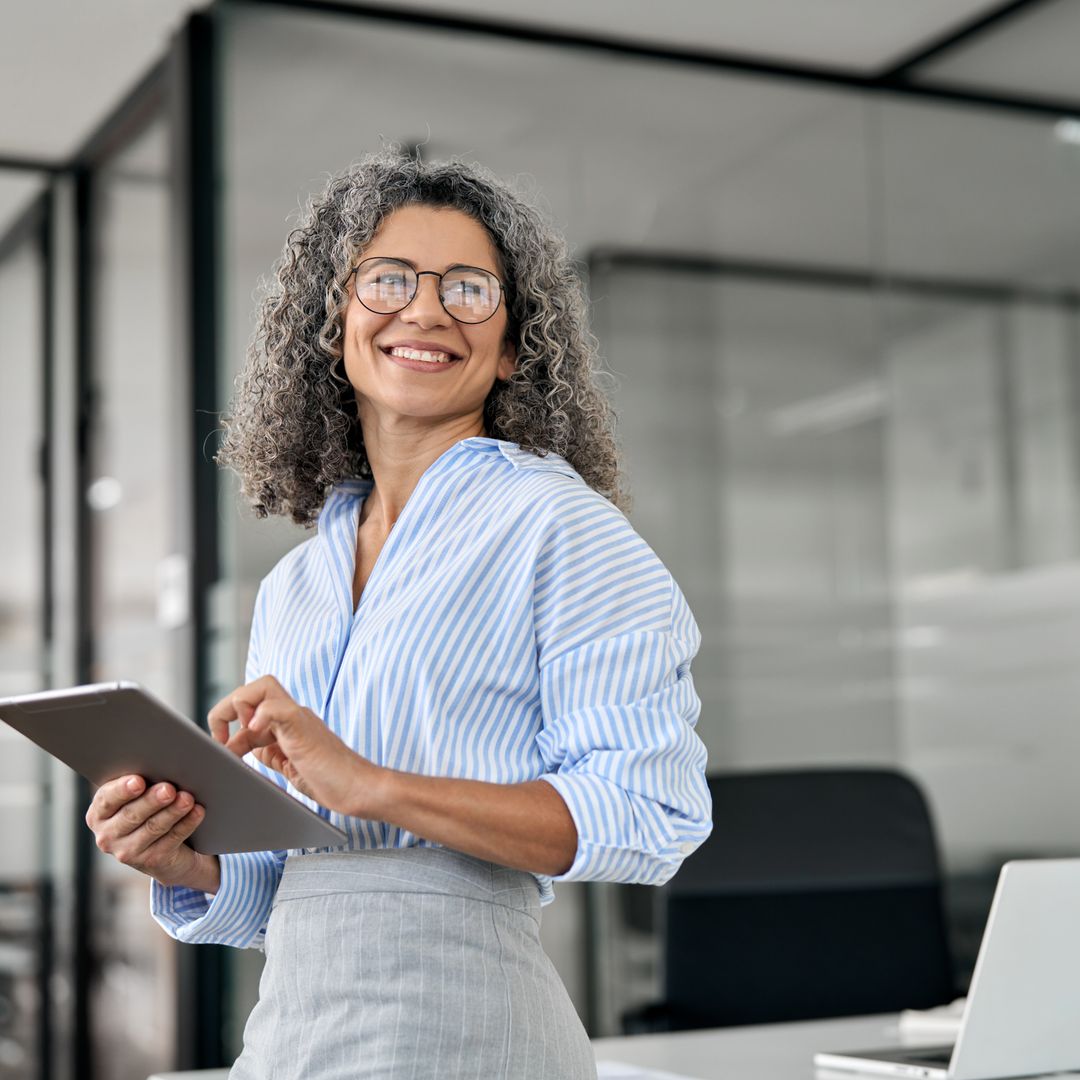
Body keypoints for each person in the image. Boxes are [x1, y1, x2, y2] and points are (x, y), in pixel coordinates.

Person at [84, 151, 712, 1078]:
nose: (425, 311)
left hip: (469, 1034)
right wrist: (186, 860)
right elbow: (296, 890)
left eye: (468, 289)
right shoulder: (297, 583)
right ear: (333, 320)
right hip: (295, 1040)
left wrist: (373, 784)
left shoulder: (559, 526)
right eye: (389, 280)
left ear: (513, 343)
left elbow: (650, 812)